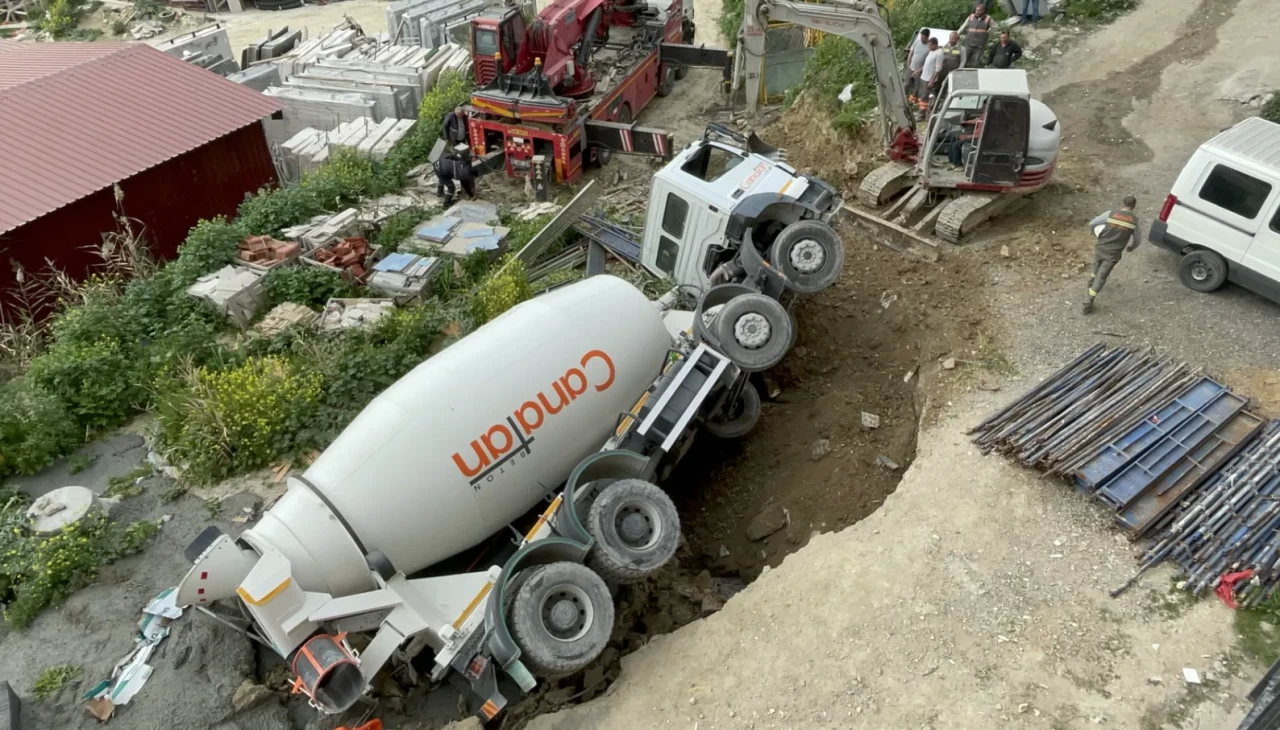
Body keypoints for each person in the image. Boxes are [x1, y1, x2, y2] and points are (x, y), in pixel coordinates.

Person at [1083, 196, 1143, 314]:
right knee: (1102, 276)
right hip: (1113, 254)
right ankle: (1088, 301)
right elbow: (1137, 239)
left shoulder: (1111, 214)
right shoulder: (1134, 221)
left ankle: (1091, 280)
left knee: (1096, 265)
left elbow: (1093, 223)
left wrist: (1095, 233)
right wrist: (1132, 247)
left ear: (1122, 204)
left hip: (1101, 247)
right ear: (1134, 206)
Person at [960, 4, 994, 68]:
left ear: (983, 11)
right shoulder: (971, 17)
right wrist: (957, 33)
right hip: (969, 43)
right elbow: (963, 26)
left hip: (979, 45)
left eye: (979, 11)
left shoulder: (988, 18)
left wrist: (989, 31)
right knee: (964, 60)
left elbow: (995, 27)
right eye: (976, 10)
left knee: (975, 62)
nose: (977, 12)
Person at [905, 28, 932, 105]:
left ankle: (912, 101)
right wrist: (908, 65)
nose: (922, 38)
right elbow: (910, 54)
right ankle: (904, 97)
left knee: (916, 87)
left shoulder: (929, 46)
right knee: (906, 83)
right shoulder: (916, 42)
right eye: (921, 37)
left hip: (920, 70)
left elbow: (928, 61)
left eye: (924, 37)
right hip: (911, 67)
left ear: (927, 37)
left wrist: (920, 70)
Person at [918, 37, 944, 111]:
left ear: (935, 44)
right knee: (922, 96)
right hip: (923, 77)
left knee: (926, 97)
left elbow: (938, 68)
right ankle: (921, 111)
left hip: (929, 79)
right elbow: (927, 64)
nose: (928, 47)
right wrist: (919, 71)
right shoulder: (931, 51)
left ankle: (922, 113)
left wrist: (932, 80)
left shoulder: (939, 53)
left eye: (930, 45)